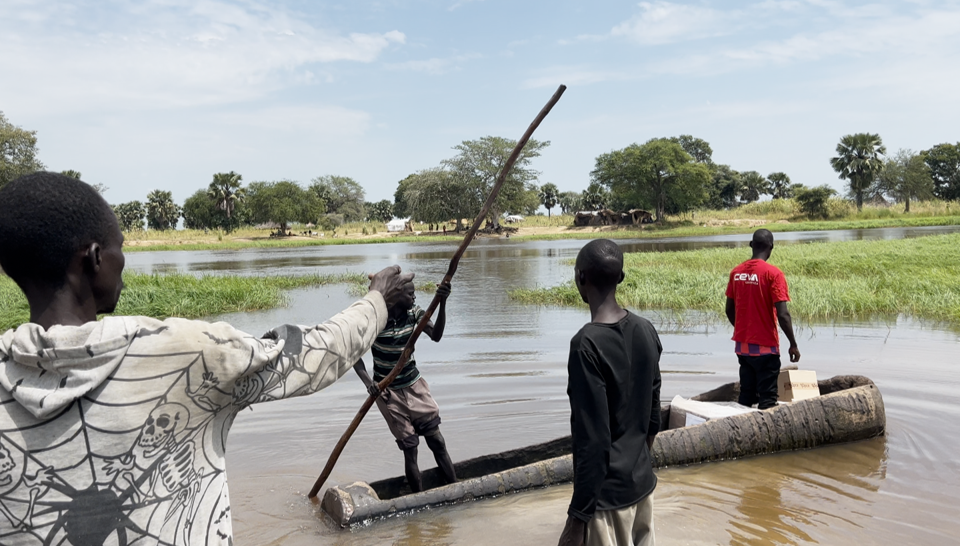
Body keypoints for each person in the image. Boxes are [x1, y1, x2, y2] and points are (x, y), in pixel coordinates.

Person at [0, 172, 414, 545]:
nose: (122, 261)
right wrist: (379, 300)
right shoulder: (184, 351)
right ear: (93, 259)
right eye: (119, 248)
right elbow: (316, 355)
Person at [558, 239, 662, 546]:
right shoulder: (646, 329)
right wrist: (636, 464)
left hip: (606, 500)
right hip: (642, 486)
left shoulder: (585, 345)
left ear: (580, 278)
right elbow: (653, 415)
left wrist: (577, 518)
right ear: (621, 277)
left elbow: (594, 440)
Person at [353, 279, 457, 492]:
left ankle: (455, 487)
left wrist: (443, 302)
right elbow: (354, 355)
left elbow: (436, 335)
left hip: (414, 387)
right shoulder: (375, 322)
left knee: (436, 440)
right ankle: (418, 498)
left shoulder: (414, 314)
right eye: (410, 295)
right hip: (388, 393)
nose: (414, 298)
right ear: (396, 298)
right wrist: (368, 382)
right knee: (410, 449)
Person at [725, 229, 800, 410]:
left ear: (751, 245)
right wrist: (793, 344)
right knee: (767, 398)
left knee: (746, 394)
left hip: (742, 348)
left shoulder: (736, 273)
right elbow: (783, 314)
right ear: (771, 248)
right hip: (766, 348)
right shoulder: (773, 274)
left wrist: (743, 330)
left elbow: (729, 310)